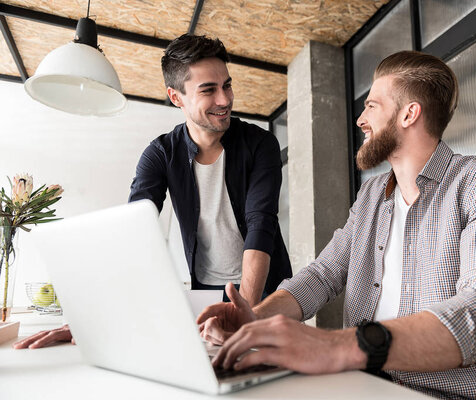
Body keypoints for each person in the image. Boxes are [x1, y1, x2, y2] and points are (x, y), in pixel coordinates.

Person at [197, 51, 476, 400]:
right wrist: (254, 317)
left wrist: (337, 346)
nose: (360, 119)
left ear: (409, 113)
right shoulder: (372, 194)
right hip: (362, 389)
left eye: (372, 106)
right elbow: (324, 274)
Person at [14, 34, 292, 350]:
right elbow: (133, 232)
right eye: (208, 90)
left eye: (226, 85)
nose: (225, 99)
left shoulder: (260, 145)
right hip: (206, 294)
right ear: (176, 97)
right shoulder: (161, 154)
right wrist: (96, 312)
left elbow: (262, 224)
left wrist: (247, 315)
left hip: (267, 293)